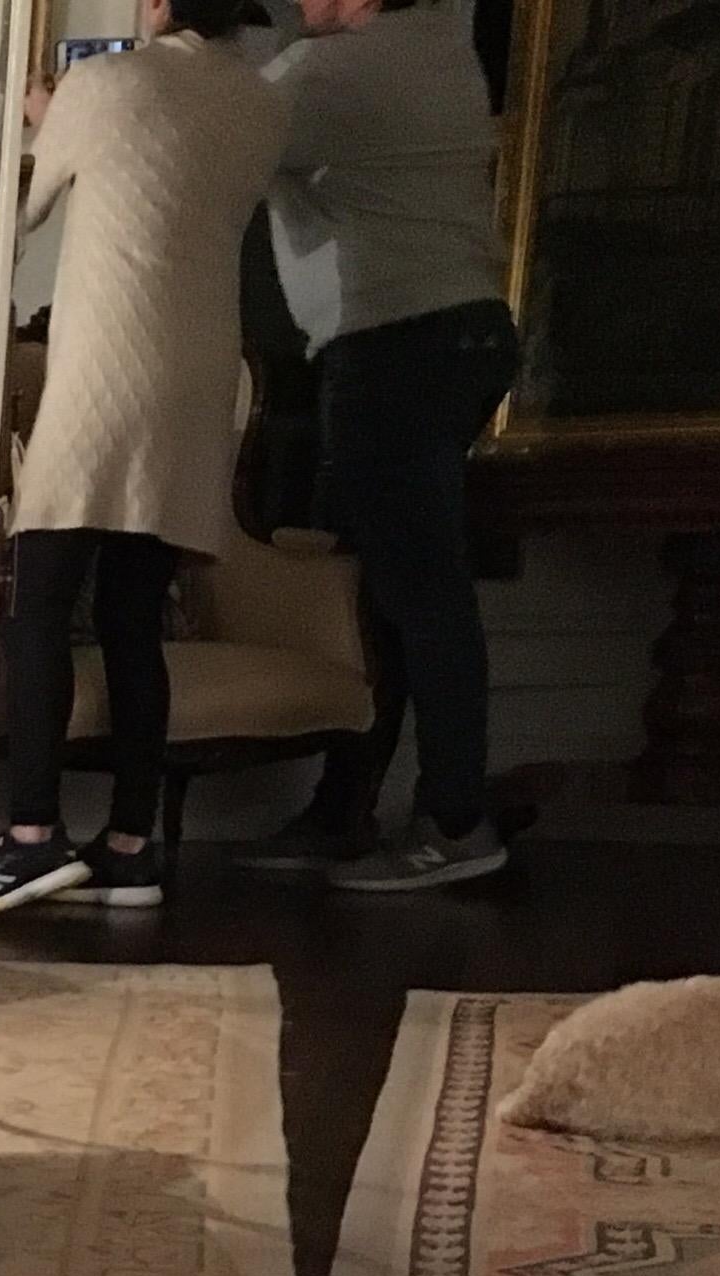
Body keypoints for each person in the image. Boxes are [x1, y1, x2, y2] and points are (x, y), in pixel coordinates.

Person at [0, 0, 292, 922]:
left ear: (159, 3)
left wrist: (43, 120)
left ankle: (31, 834)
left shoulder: (104, 82)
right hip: (202, 372)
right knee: (132, 613)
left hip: (108, 363)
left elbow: (17, 218)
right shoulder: (265, 104)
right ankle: (131, 844)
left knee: (39, 594)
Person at [238, 0, 520, 892]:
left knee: (417, 589)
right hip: (456, 333)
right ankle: (348, 807)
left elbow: (200, 138)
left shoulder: (333, 74)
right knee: (389, 586)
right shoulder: (440, 47)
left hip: (396, 341)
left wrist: (66, 110)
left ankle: (453, 821)